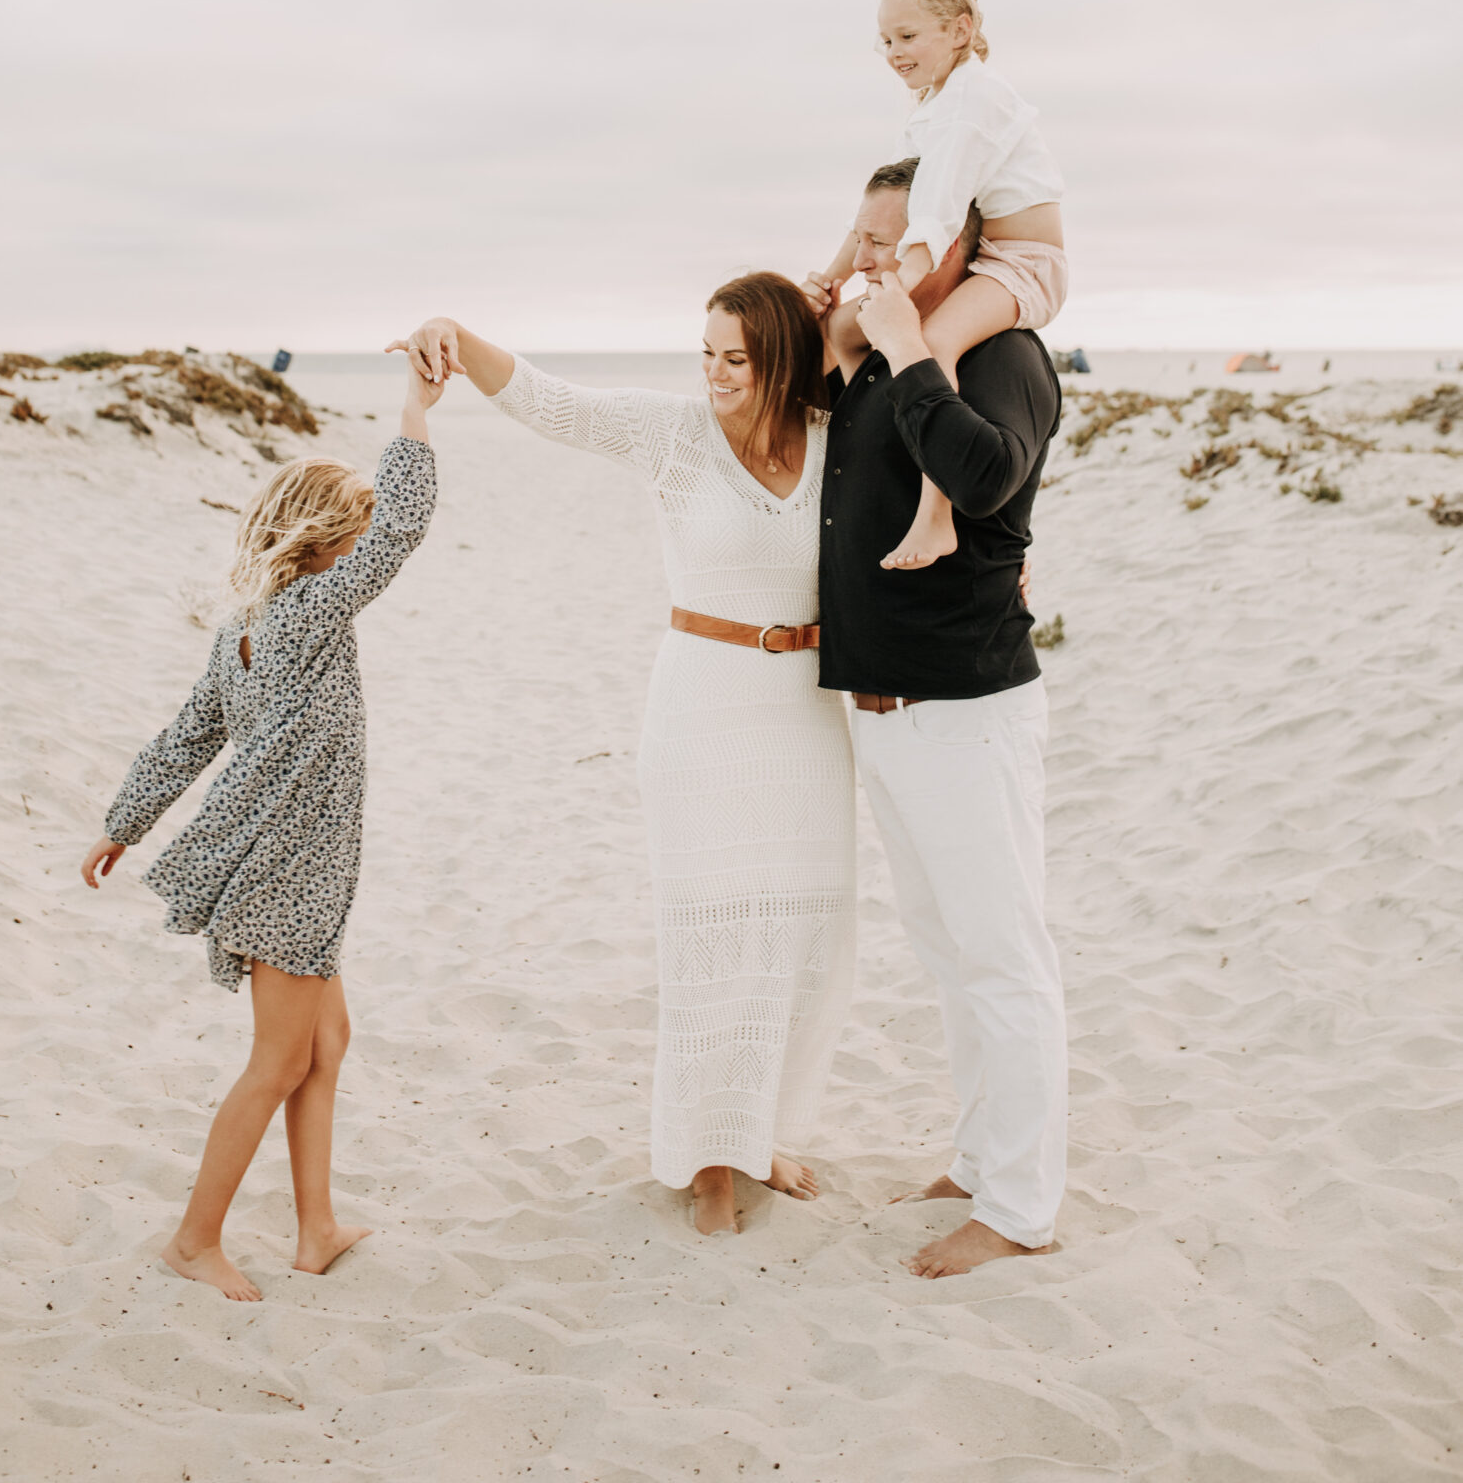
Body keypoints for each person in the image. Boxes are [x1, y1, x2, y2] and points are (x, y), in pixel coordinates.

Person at [392, 275, 855, 1237]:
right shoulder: (672, 434)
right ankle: (708, 1161)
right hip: (701, 705)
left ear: (780, 361)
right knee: (712, 933)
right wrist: (454, 332)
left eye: (738, 358)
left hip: (807, 715)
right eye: (707, 355)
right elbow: (549, 401)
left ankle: (755, 1127)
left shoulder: (837, 439)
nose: (717, 376)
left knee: (794, 936)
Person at [77, 362, 441, 1301]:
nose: (366, 542)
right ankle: (195, 1240)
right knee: (277, 1060)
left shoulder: (247, 622)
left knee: (326, 1043)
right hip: (286, 866)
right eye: (354, 529)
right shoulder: (314, 609)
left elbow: (188, 732)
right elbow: (402, 531)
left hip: (289, 861)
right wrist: (413, 414)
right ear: (324, 540)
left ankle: (315, 1226)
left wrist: (124, 823)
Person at [818, 160, 1067, 1278]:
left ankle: (1019, 1205)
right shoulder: (881, 357)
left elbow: (986, 474)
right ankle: (980, 1157)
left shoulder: (1001, 356)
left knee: (1001, 955)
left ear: (955, 245)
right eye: (863, 237)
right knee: (949, 952)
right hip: (885, 708)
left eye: (896, 237)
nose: (875, 256)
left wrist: (912, 353)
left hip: (965, 705)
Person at [812, 0, 1065, 570]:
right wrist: (828, 280)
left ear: (959, 30)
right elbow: (882, 207)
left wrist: (894, 292)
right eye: (886, 40)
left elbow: (935, 216)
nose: (892, 52)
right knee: (844, 328)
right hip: (976, 256)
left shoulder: (972, 102)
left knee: (932, 340)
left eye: (906, 36)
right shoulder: (932, 101)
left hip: (1021, 266)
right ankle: (858, 428)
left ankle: (936, 516)